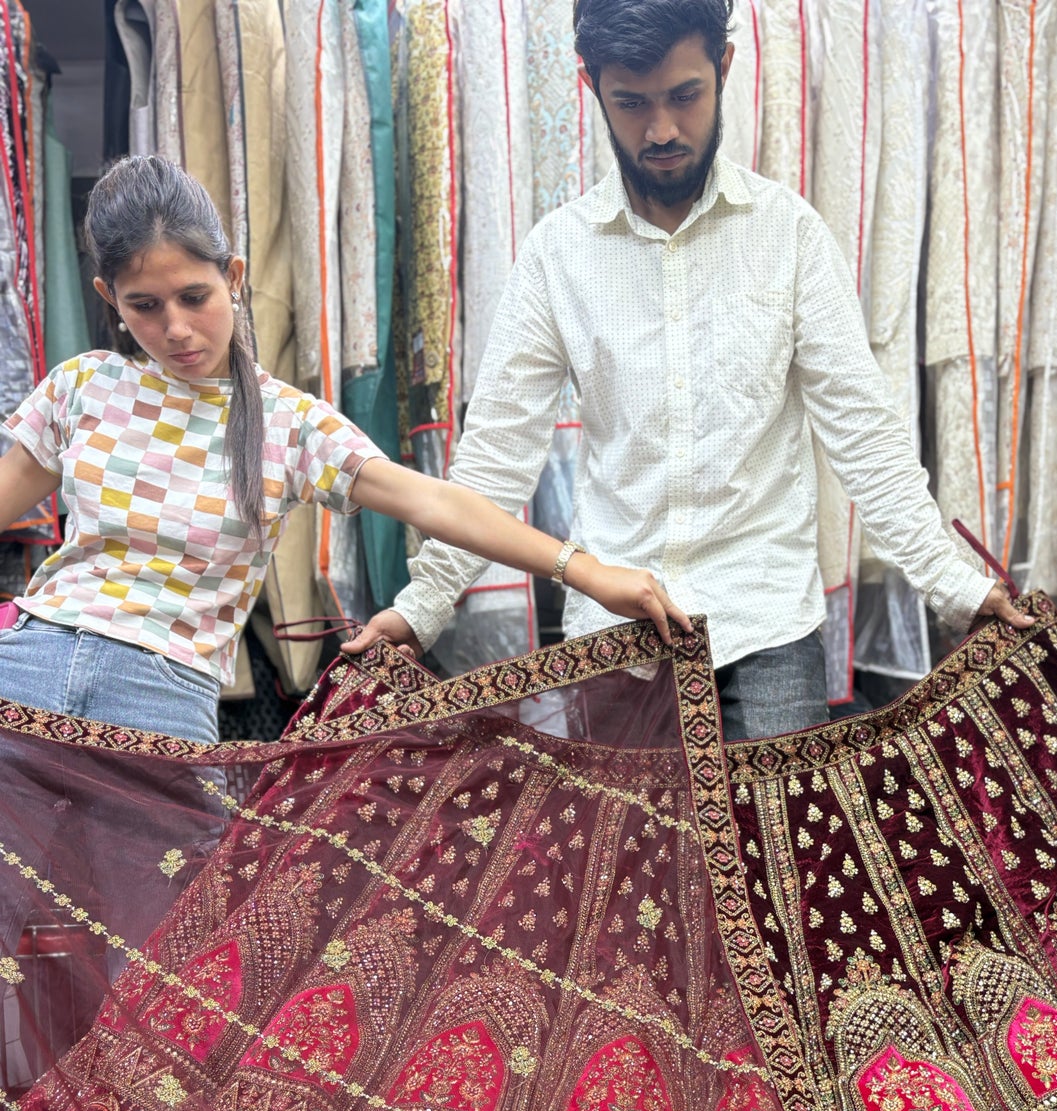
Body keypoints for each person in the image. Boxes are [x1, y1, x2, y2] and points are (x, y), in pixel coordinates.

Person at [343, 0, 1030, 739]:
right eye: (631, 104)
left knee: (771, 854)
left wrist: (956, 587)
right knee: (624, 857)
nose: (661, 130)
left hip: (764, 629)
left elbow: (865, 437)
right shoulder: (557, 255)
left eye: (684, 95)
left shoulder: (788, 236)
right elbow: (496, 456)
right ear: (590, 85)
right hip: (613, 641)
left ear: (723, 67)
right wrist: (424, 604)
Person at [0, 154, 690, 751]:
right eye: (144, 306)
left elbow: (433, 501)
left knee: (160, 906)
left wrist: (584, 570)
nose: (176, 328)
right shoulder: (85, 384)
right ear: (108, 297)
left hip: (162, 698)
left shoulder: (286, 425)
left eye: (193, 296)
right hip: (28, 665)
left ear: (234, 275)